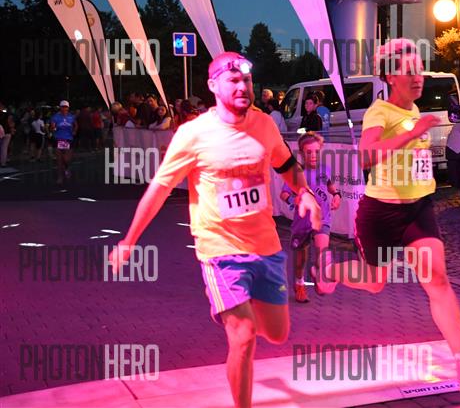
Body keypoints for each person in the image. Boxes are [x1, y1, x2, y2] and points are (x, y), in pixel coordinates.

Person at [109, 51, 322, 408]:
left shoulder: (264, 124)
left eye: (247, 80)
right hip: (220, 249)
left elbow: (287, 165)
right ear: (213, 85)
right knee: (244, 336)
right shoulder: (193, 134)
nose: (242, 87)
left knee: (277, 333)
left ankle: (247, 302)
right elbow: (159, 189)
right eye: (233, 80)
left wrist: (306, 193)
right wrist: (129, 241)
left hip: (266, 246)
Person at [312, 38, 460, 392]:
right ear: (390, 77)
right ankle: (327, 269)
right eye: (408, 71)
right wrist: (413, 133)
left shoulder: (414, 112)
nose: (418, 77)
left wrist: (415, 136)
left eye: (419, 70)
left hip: (418, 209)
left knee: (437, 280)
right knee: (375, 282)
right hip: (381, 213)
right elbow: (366, 156)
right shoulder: (380, 112)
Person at [280, 132, 341, 303]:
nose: (313, 156)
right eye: (309, 152)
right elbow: (283, 194)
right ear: (301, 152)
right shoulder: (296, 172)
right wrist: (293, 200)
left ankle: (320, 275)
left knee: (322, 253)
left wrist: (337, 195)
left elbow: (331, 186)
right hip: (302, 222)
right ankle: (299, 284)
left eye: (316, 152)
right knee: (301, 260)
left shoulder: (325, 169)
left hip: (322, 219)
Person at [49, 100, 77, 184]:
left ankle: (67, 168)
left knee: (66, 159)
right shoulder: (55, 117)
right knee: (59, 160)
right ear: (60, 107)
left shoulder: (71, 117)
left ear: (68, 108)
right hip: (58, 139)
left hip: (68, 139)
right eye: (63, 107)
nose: (64, 108)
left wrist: (74, 131)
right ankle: (60, 177)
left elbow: (76, 125)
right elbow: (52, 126)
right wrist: (53, 128)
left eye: (66, 107)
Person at [0, 102, 15, 167]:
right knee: (4, 148)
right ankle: (3, 162)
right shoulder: (8, 114)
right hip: (7, 132)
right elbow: (11, 123)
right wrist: (12, 129)